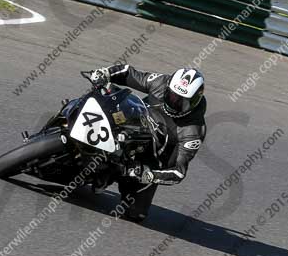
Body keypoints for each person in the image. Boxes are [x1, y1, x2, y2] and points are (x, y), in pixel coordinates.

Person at [88, 65, 206, 222]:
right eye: (171, 96)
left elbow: (178, 173)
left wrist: (149, 174)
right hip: (133, 119)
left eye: (181, 102)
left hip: (150, 158)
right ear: (168, 87)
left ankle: (117, 175)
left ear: (194, 102)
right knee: (106, 95)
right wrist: (105, 73)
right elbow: (129, 73)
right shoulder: (161, 82)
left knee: (136, 214)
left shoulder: (193, 131)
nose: (173, 103)